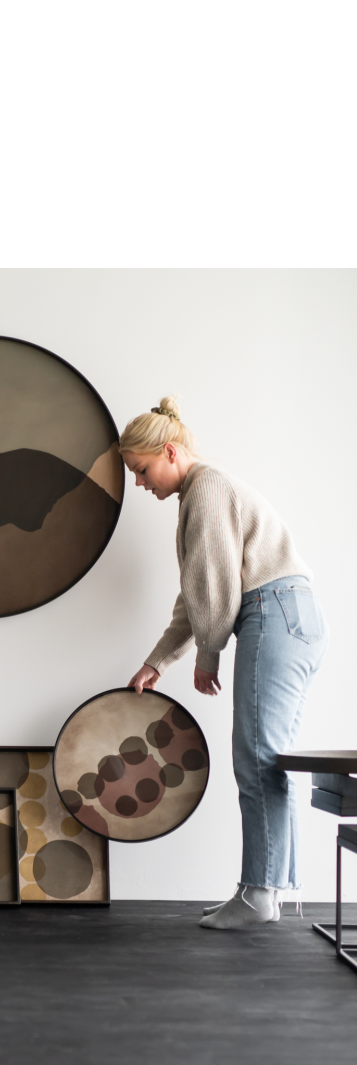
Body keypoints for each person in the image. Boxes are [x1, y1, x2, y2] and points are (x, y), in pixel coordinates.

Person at [121, 398, 327, 929]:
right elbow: (196, 593)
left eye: (141, 470)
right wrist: (158, 662)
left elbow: (215, 591)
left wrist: (207, 655)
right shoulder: (200, 493)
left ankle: (259, 894)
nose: (139, 483)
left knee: (256, 759)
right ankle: (264, 891)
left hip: (273, 611)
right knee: (266, 759)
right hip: (286, 614)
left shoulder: (206, 488)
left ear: (170, 452)